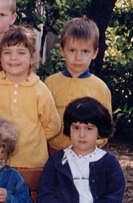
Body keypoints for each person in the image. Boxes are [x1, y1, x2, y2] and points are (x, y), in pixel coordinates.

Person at [0, 26, 61, 168]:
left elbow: (52, 126)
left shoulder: (40, 90)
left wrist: (34, 141)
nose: (13, 58)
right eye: (7, 52)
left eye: (21, 52)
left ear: (33, 57)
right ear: (0, 56)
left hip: (33, 164)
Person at [45, 17, 112, 153]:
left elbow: (106, 126)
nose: (78, 58)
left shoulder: (100, 88)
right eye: (72, 50)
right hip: (54, 151)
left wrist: (94, 143)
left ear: (95, 53)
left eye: (85, 51)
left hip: (88, 153)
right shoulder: (50, 83)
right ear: (62, 50)